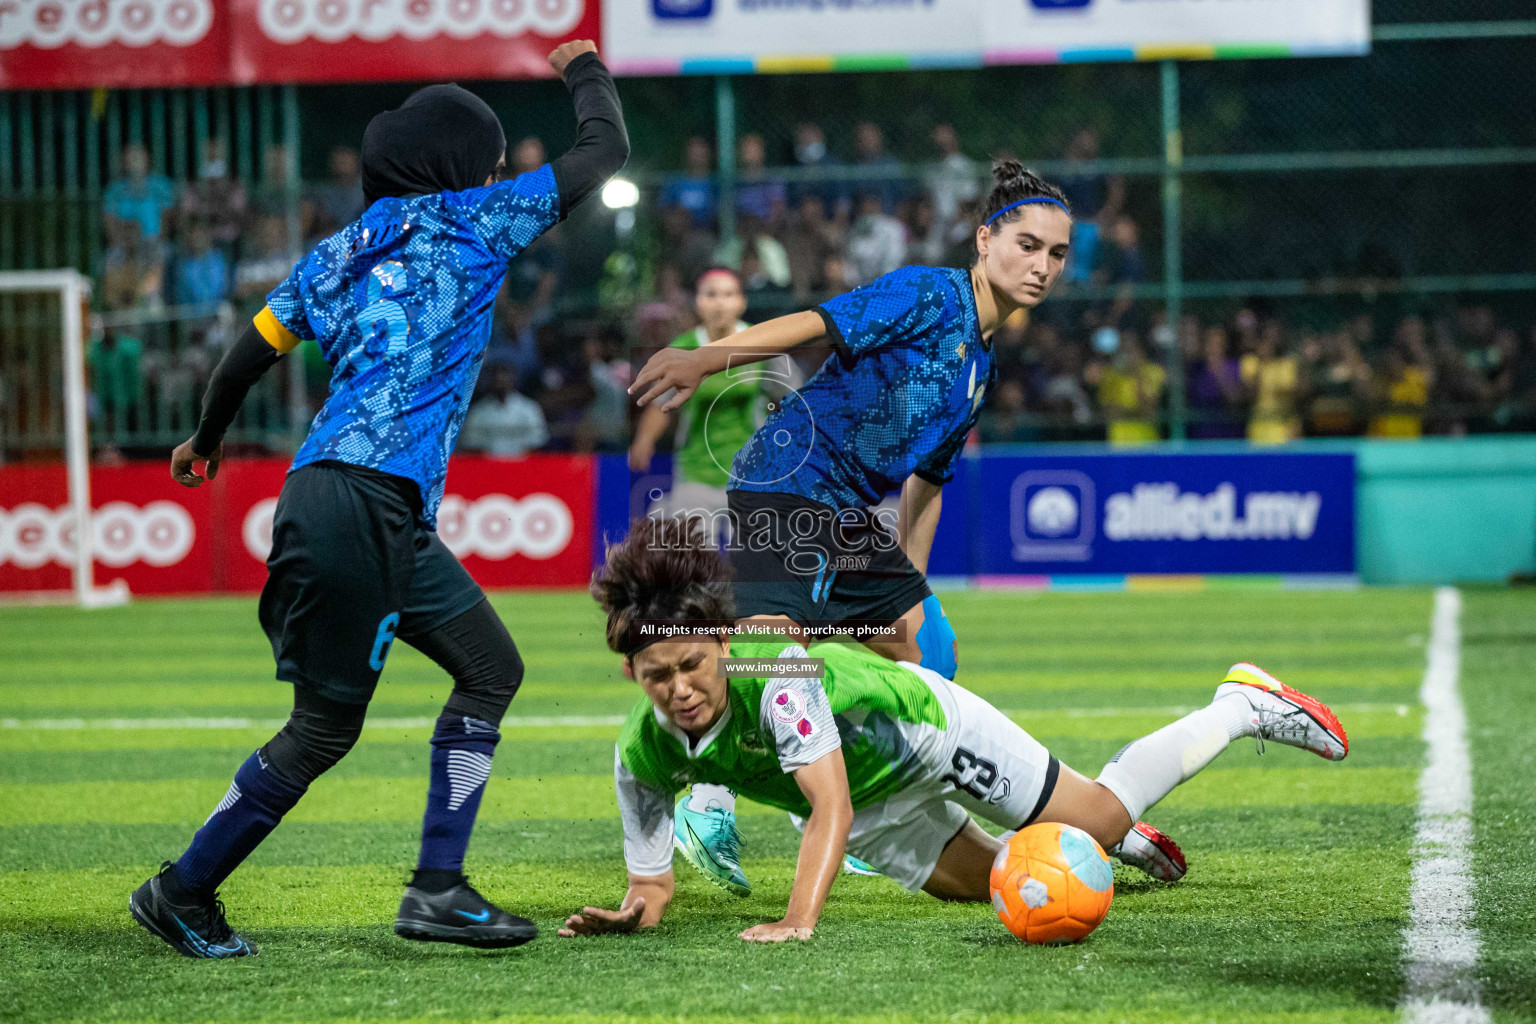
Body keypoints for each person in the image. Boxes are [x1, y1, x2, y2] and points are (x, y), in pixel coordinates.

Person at [128, 40, 629, 959]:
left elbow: (247, 352)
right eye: (484, 158)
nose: (491, 173)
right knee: (323, 730)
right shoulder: (474, 220)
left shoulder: (337, 253)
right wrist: (585, 69)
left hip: (336, 493)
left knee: (489, 666)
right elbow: (602, 155)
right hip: (368, 500)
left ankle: (439, 885)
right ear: (453, 164)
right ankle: (183, 888)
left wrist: (206, 440)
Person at [559, 518, 1348, 943]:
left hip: (928, 734)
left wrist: (798, 921)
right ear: (632, 674)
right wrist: (635, 910)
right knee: (1005, 890)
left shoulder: (781, 680)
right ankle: (1099, 836)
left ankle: (1238, 705)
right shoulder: (641, 753)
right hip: (877, 808)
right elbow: (651, 883)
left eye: (694, 665)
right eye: (658, 677)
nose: (682, 689)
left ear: (722, 645)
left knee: (1098, 817)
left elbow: (822, 807)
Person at [628, 161, 1070, 894]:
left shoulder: (979, 366)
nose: (1042, 265)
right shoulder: (931, 293)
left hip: (845, 515)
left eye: (1056, 253)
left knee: (926, 648)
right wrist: (706, 359)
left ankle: (858, 803)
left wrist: (913, 590)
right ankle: (706, 800)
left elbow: (925, 485)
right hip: (788, 482)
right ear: (985, 237)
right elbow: (815, 323)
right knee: (773, 655)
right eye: (1027, 245)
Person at [460, 365, 548, 456]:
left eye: (504, 378)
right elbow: (471, 445)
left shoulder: (529, 408)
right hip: (487, 466)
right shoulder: (478, 411)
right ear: (490, 381)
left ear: (513, 379)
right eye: (496, 379)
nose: (500, 381)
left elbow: (538, 442)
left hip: (522, 464)